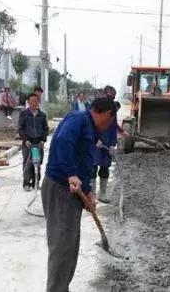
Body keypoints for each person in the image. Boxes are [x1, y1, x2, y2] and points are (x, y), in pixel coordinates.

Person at [42, 97, 116, 292]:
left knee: (70, 247)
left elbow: (84, 161)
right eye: (109, 122)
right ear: (106, 114)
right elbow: (62, 142)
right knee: (61, 247)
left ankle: (62, 288)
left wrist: (89, 191)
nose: (107, 126)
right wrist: (71, 174)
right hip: (60, 189)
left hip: (74, 193)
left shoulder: (90, 129)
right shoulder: (79, 119)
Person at [92, 85, 126, 203]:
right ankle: (91, 195)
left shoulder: (112, 109)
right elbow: (90, 124)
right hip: (96, 144)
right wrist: (95, 139)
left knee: (105, 168)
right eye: (111, 96)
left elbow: (113, 126)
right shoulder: (96, 107)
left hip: (107, 144)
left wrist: (113, 144)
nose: (112, 99)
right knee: (92, 168)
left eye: (114, 97)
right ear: (105, 95)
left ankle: (102, 194)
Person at [18, 93, 49, 191]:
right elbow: (21, 128)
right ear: (28, 102)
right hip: (27, 143)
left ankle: (36, 183)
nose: (34, 103)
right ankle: (26, 183)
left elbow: (45, 129)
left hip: (38, 143)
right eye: (32, 101)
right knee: (27, 163)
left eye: (36, 101)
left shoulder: (42, 115)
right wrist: (25, 139)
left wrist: (43, 140)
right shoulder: (24, 114)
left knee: (37, 163)